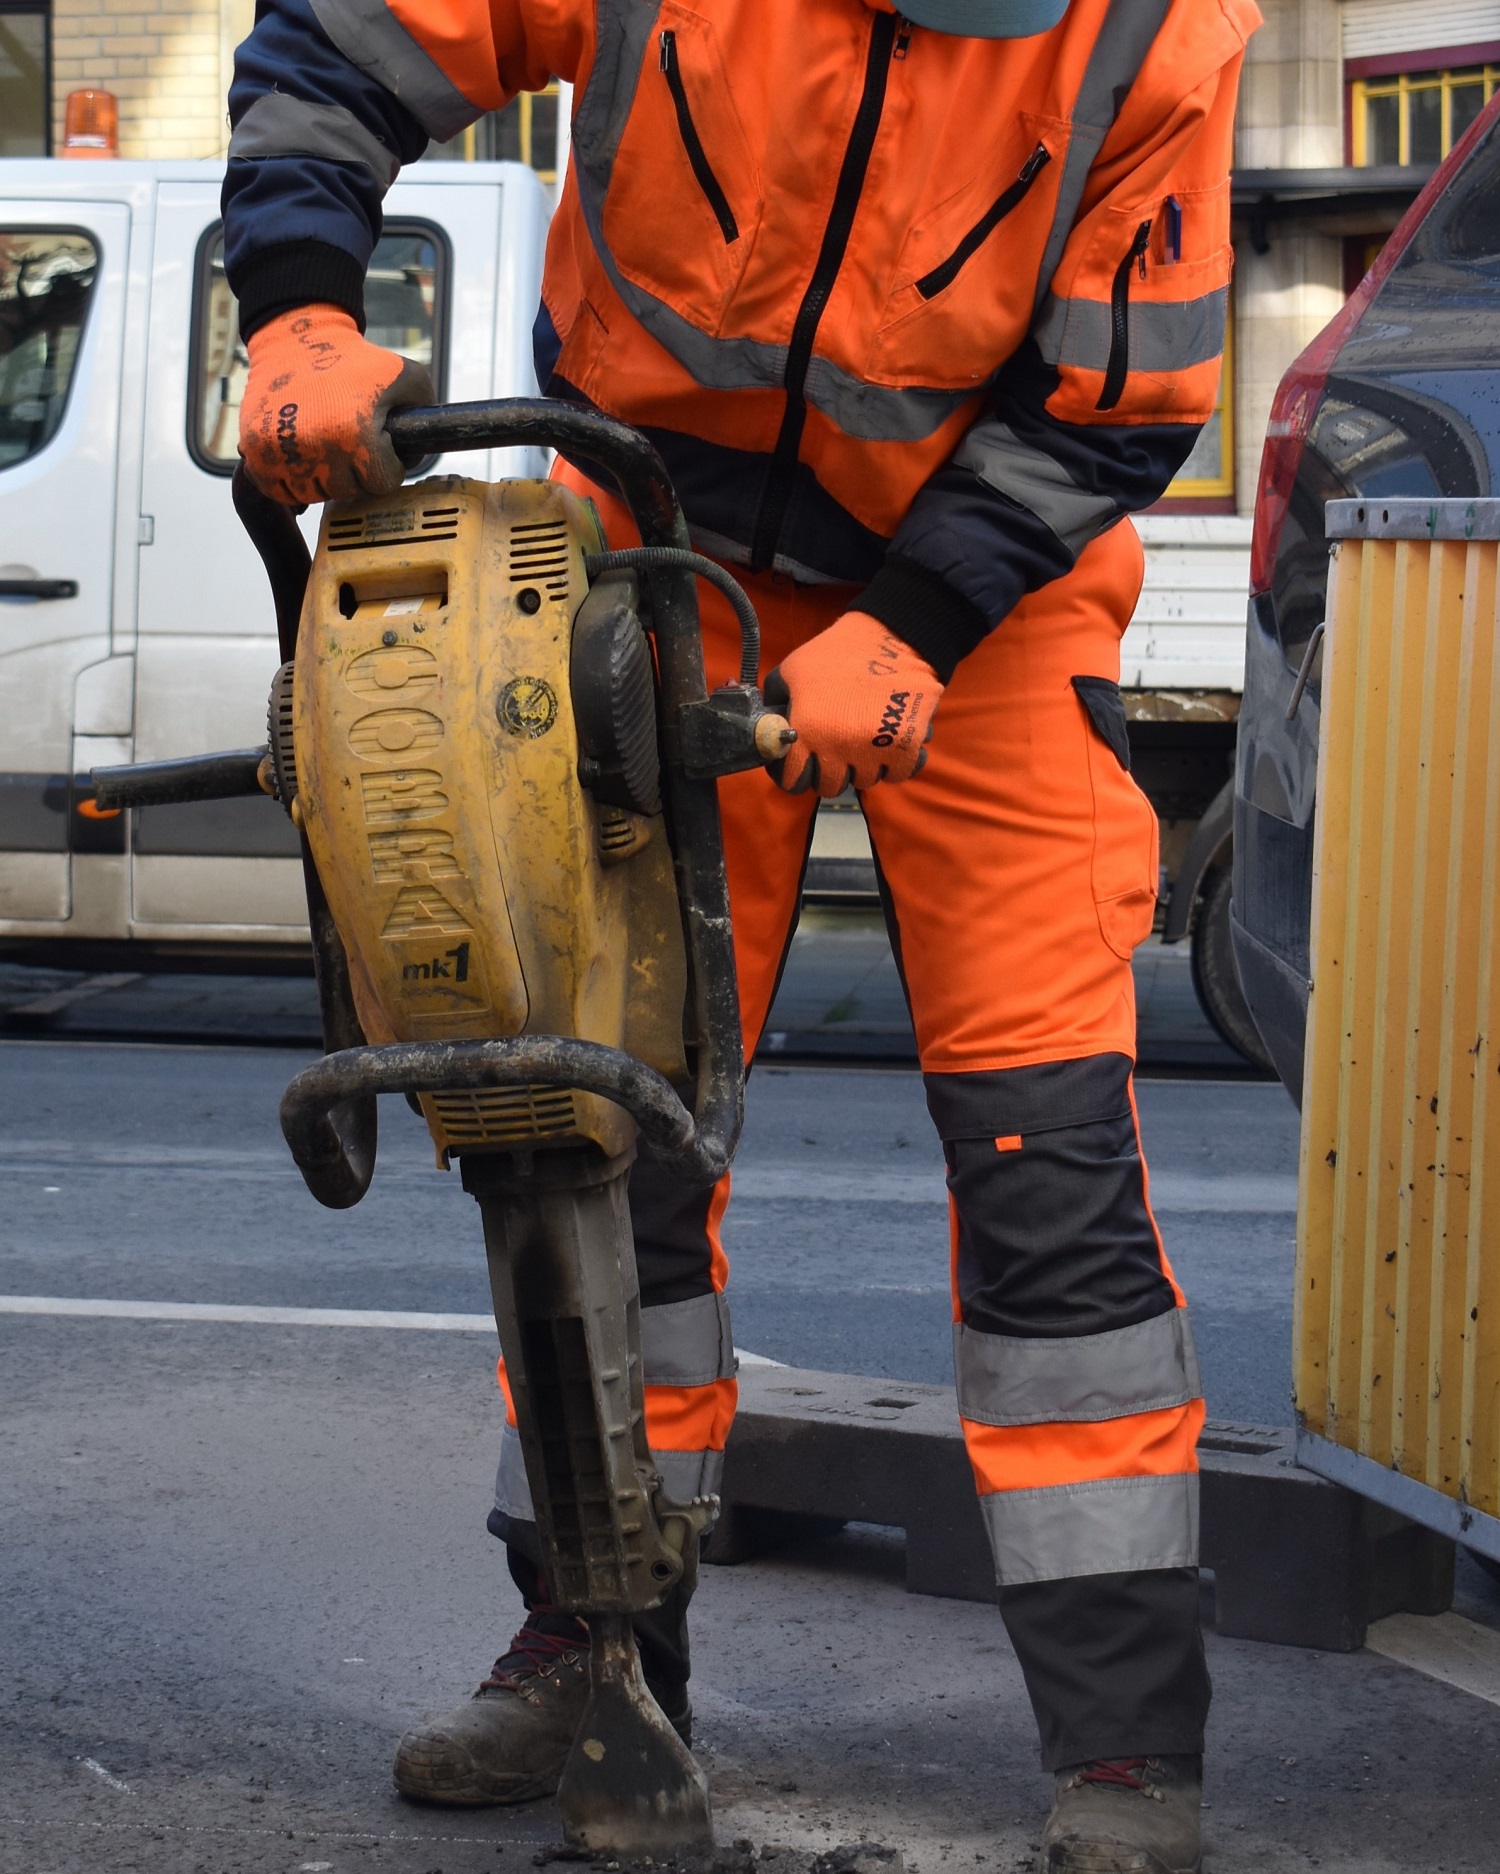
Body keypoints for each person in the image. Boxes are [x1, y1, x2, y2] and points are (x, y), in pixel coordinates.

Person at [225, 2, 1257, 1867]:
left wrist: (920, 625)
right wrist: (298, 301)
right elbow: (338, 44)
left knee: (1050, 1161)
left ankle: (1122, 1752)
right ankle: (596, 1648)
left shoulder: (1155, 42)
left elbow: (1123, 398)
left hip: (987, 606)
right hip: (649, 546)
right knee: (590, 1123)